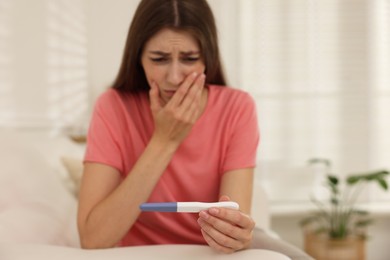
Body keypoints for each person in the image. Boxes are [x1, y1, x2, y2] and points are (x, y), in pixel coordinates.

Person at [77, 1, 313, 259]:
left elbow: (232, 222)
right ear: (138, 58)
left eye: (189, 59)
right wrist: (164, 140)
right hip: (145, 252)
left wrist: (235, 234)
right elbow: (93, 239)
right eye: (159, 59)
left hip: (214, 250)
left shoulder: (237, 107)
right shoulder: (113, 107)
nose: (175, 77)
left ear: (208, 59)